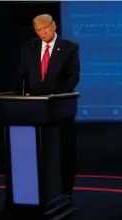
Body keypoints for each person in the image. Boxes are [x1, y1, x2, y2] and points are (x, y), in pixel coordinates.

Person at [18, 14, 80, 199]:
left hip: (59, 109)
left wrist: (58, 97)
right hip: (33, 109)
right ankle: (35, 191)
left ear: (54, 26)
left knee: (63, 150)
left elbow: (73, 76)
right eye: (39, 29)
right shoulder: (30, 47)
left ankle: (65, 192)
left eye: (46, 27)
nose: (43, 32)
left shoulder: (69, 47)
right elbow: (23, 74)